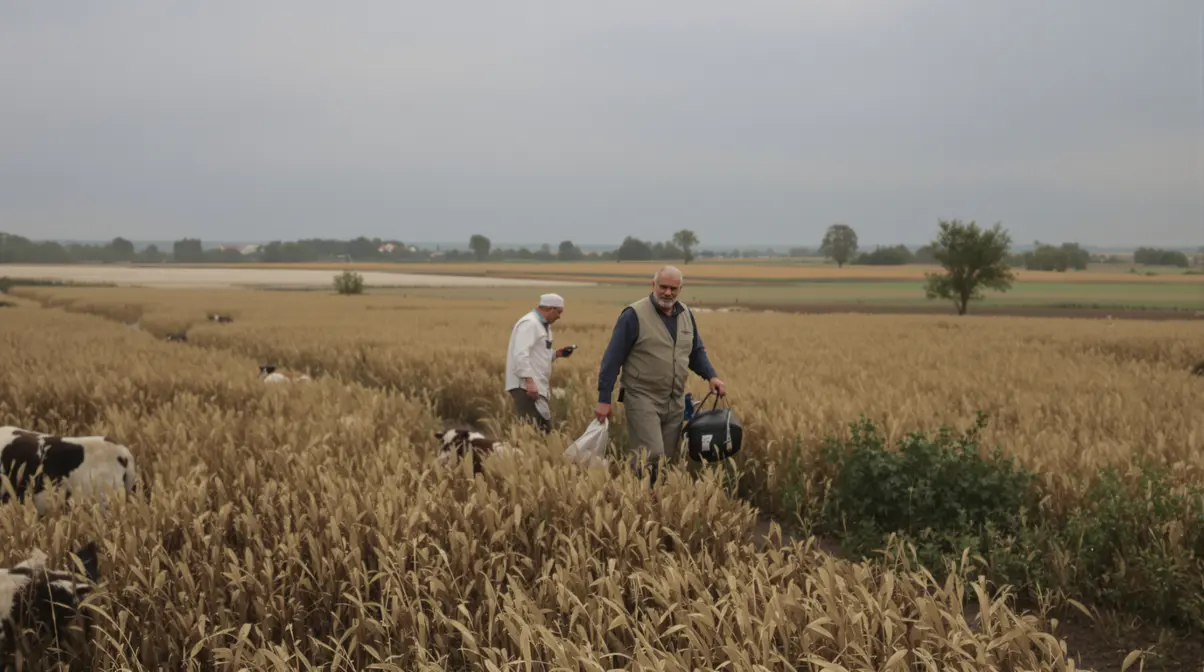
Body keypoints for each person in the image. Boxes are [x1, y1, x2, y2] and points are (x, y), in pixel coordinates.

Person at [594, 266, 726, 484]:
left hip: (674, 400)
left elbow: (696, 350)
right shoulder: (633, 315)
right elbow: (612, 358)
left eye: (673, 289)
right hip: (641, 396)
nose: (668, 293)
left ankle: (658, 502)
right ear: (653, 285)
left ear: (680, 289)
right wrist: (603, 398)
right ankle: (636, 497)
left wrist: (711, 376)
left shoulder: (686, 314)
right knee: (651, 454)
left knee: (669, 458)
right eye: (663, 287)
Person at [505, 293, 575, 434]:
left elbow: (538, 355)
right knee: (532, 430)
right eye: (558, 312)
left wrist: (557, 354)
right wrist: (529, 382)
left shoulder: (543, 326)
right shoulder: (530, 324)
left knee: (543, 431)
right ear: (550, 309)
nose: (559, 316)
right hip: (526, 387)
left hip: (536, 387)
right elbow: (520, 354)